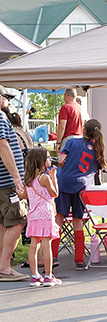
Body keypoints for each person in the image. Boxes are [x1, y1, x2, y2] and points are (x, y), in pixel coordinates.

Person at [54, 119, 107, 270]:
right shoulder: (98, 149)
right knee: (78, 220)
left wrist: (67, 169)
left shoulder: (71, 143)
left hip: (65, 183)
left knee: (59, 219)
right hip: (81, 187)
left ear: (83, 130)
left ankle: (53, 256)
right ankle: (79, 260)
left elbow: (61, 160)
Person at [21, 148, 59, 287]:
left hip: (33, 214)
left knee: (34, 245)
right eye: (48, 157)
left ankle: (35, 276)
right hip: (46, 214)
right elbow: (55, 194)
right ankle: (48, 275)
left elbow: (25, 195)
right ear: (42, 162)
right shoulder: (45, 177)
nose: (50, 159)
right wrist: (54, 176)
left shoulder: (28, 178)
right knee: (46, 244)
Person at [0, 87, 26, 281]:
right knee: (17, 220)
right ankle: (5, 267)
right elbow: (3, 144)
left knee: (3, 223)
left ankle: (3, 266)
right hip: (7, 181)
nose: (7, 100)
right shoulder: (0, 116)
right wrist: (16, 177)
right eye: (5, 96)